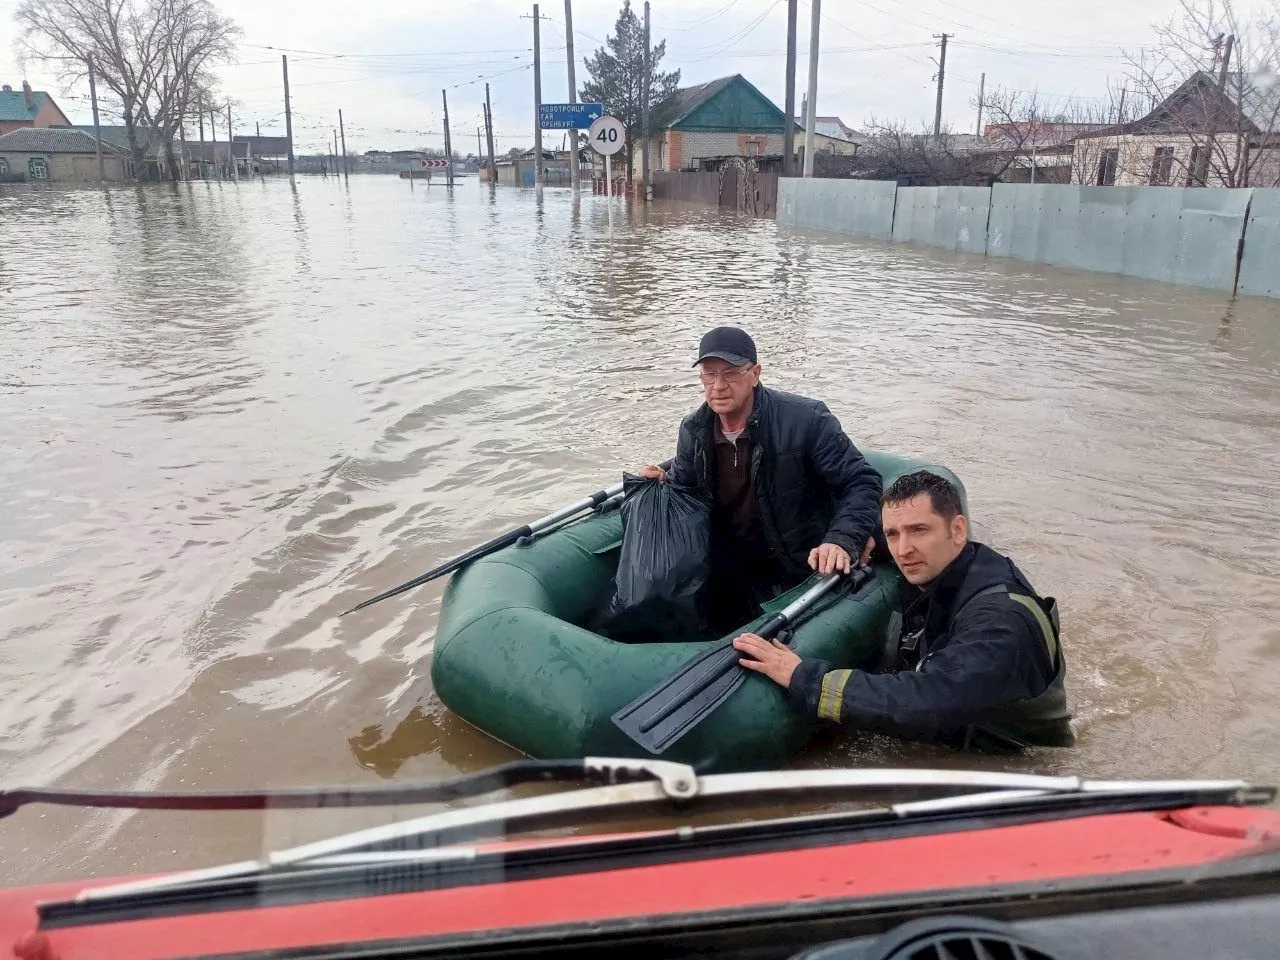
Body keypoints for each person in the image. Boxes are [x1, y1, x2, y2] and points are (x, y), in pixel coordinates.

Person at [733, 470, 1074, 750]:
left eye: (919, 530)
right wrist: (849, 538)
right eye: (892, 535)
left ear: (958, 529)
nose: (903, 549)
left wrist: (806, 679)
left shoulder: (1000, 623)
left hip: (1015, 763)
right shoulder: (951, 565)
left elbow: (928, 702)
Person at [641, 326, 883, 630]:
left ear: (755, 374)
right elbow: (686, 489)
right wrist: (663, 483)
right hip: (736, 565)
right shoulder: (693, 430)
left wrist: (842, 539)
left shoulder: (807, 420)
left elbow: (862, 481)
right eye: (709, 374)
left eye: (730, 373)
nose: (718, 386)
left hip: (801, 562)